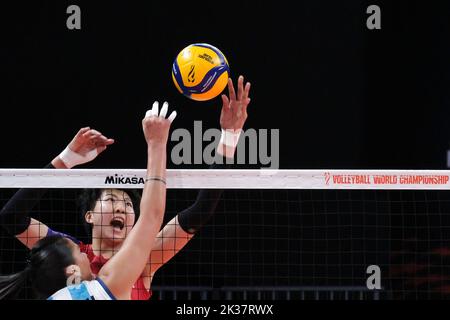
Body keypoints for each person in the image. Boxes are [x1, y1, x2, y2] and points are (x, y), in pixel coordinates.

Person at [0, 76, 252, 299]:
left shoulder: (146, 258)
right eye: (110, 199)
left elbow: (201, 210)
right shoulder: (71, 251)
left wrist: (229, 136)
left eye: (129, 205)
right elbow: (11, 217)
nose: (121, 207)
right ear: (90, 215)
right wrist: (65, 160)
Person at [0, 103, 175, 299]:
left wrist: (66, 159)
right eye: (79, 252)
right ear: (72, 271)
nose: (85, 254)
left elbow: (11, 216)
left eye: (127, 204)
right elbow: (151, 216)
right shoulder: (101, 290)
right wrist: (157, 143)